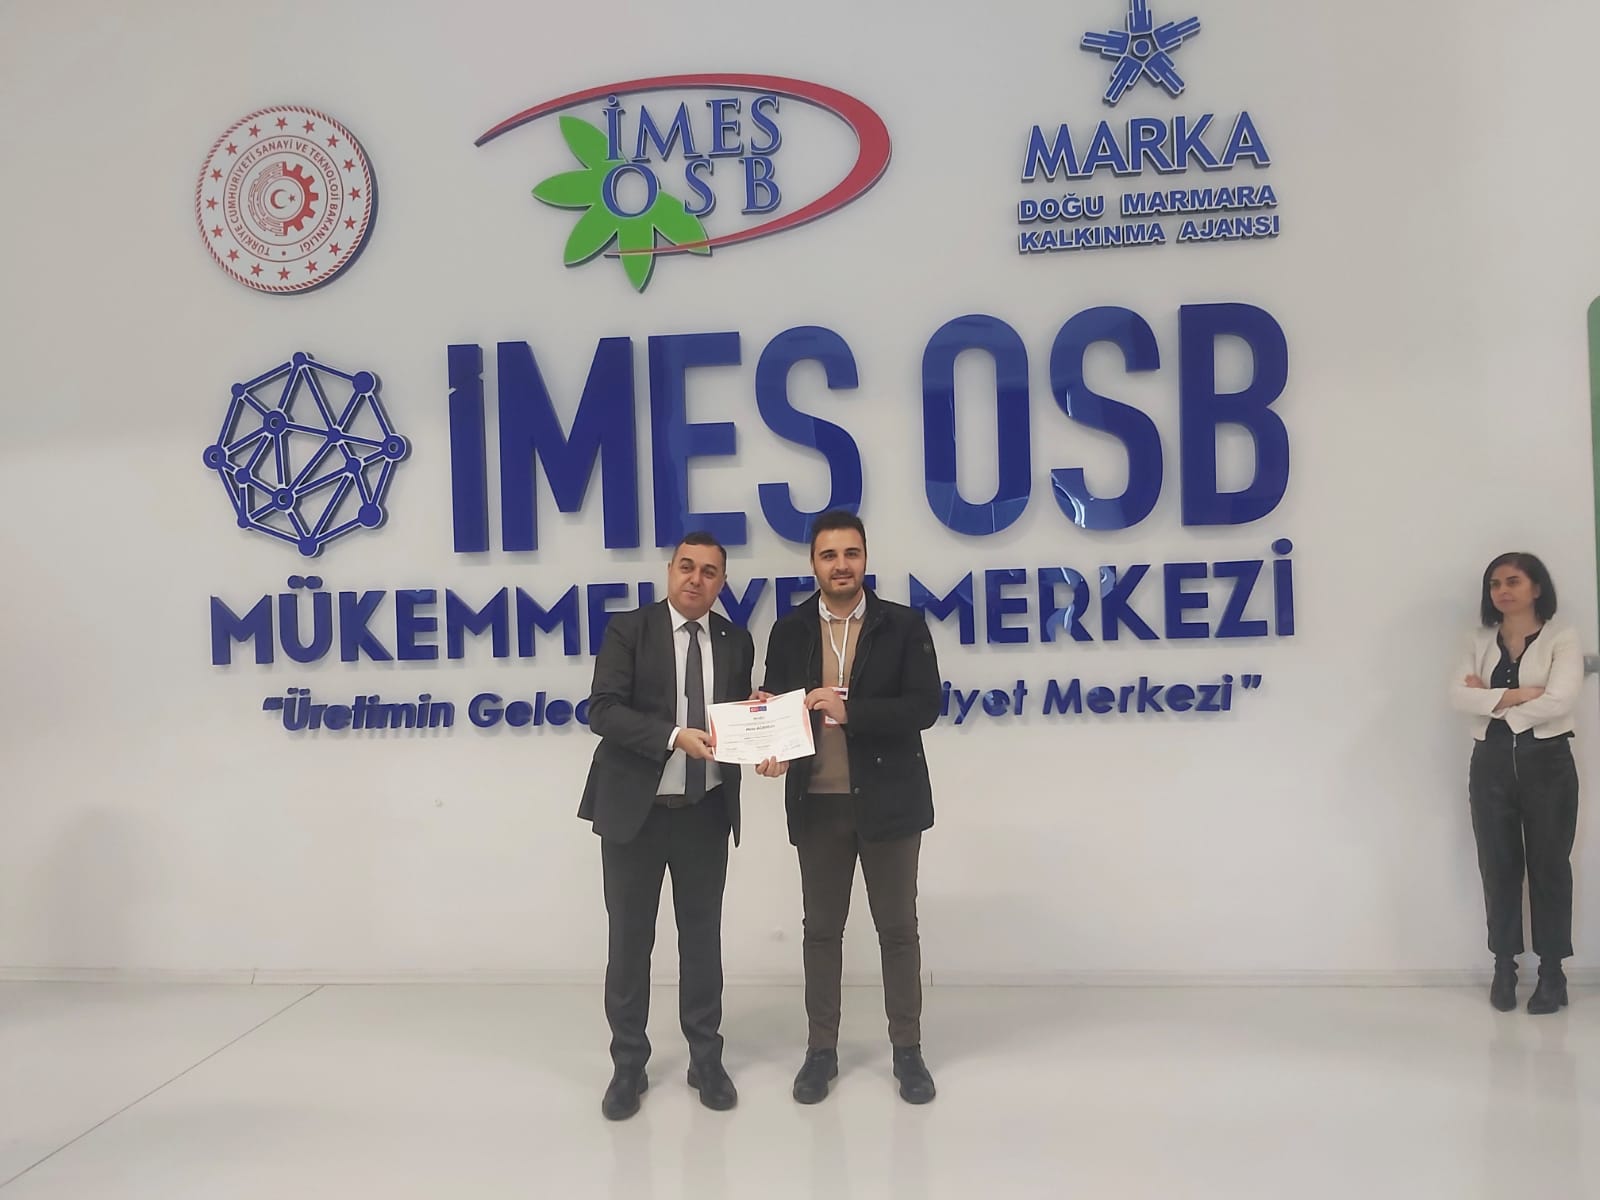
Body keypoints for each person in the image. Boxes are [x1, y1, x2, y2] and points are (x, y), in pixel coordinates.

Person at [760, 510, 942, 1104]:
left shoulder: (902, 624)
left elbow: (925, 706)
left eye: (851, 554)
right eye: (829, 555)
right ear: (813, 564)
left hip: (890, 802)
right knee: (821, 932)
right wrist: (768, 738)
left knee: (898, 931)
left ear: (865, 558)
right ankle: (821, 1052)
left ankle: (908, 1051)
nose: (841, 565)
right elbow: (777, 705)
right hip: (817, 802)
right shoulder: (789, 630)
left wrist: (851, 712)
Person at [579, 533, 754, 1119]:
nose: (695, 579)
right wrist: (674, 736)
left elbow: (732, 722)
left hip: (705, 812)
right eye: (687, 567)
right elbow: (602, 709)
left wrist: (762, 729)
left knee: (702, 943)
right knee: (630, 943)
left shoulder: (735, 640)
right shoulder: (630, 630)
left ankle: (706, 1059)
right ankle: (628, 1065)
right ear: (670, 570)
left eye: (709, 571)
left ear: (721, 582)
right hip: (636, 813)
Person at [1451, 552, 1582, 1014]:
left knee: (1549, 867)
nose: (1502, 591)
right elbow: (1457, 695)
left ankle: (1552, 974)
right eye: (1495, 584)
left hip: (1548, 763)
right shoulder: (1477, 639)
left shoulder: (1562, 637)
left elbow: (1561, 699)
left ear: (1536, 588)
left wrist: (1495, 703)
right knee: (1498, 866)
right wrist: (1523, 694)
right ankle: (1503, 967)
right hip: (1489, 765)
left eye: (1513, 581)